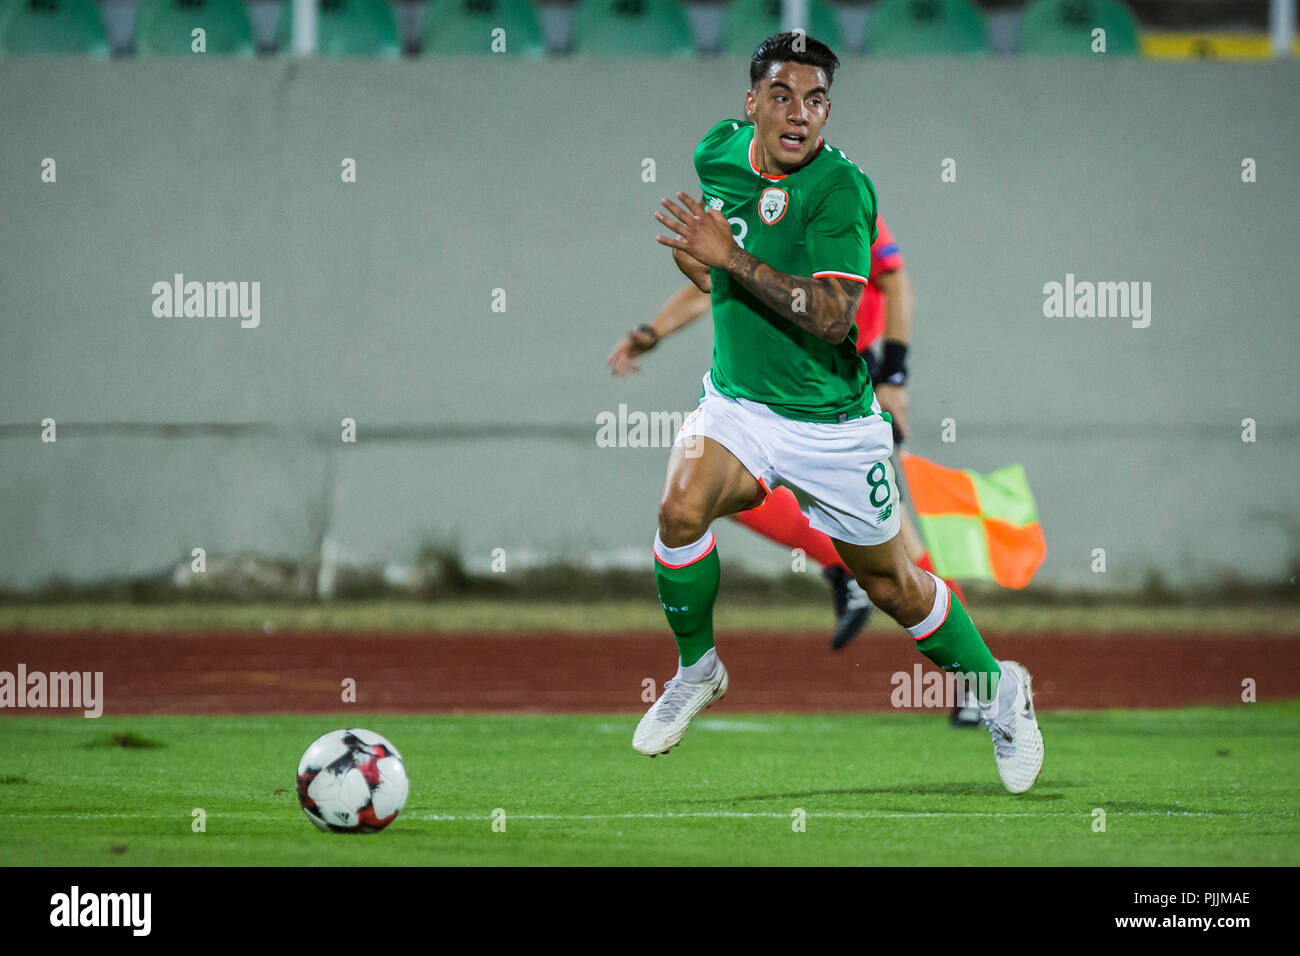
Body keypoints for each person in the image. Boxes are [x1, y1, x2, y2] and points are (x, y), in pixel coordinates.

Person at [629, 32, 1043, 793]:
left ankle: (998, 689)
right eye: (781, 96)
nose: (799, 114)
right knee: (679, 511)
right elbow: (717, 259)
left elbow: (830, 316)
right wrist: (699, 262)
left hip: (832, 423)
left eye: (815, 99)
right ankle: (699, 669)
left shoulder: (842, 190)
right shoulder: (715, 153)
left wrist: (729, 260)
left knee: (894, 586)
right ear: (749, 103)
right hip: (740, 403)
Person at [608, 216, 968, 652]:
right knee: (713, 493)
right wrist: (653, 331)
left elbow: (897, 285)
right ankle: (842, 569)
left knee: (899, 546)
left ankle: (978, 678)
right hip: (772, 390)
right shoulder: (746, 207)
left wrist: (893, 376)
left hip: (841, 391)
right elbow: (710, 286)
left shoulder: (838, 197)